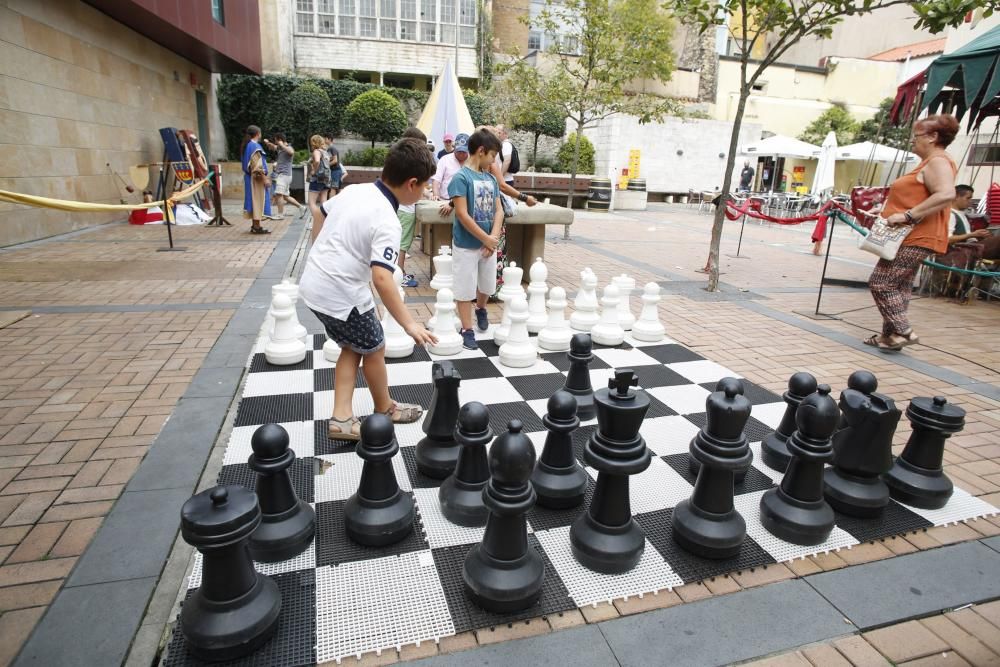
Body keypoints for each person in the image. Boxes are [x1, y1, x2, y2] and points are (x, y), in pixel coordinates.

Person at [299, 138, 438, 441]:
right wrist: (410, 323)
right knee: (373, 345)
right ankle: (374, 410)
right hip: (340, 290)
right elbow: (383, 279)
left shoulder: (355, 190)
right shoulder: (388, 220)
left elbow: (320, 213)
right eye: (426, 186)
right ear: (412, 184)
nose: (427, 191)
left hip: (315, 282)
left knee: (356, 344)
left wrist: (320, 253)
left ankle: (347, 415)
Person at [864, 114, 959, 351]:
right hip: (912, 234)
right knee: (900, 285)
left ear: (933, 137)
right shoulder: (931, 161)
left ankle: (904, 331)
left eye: (916, 136)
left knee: (881, 282)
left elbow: (946, 194)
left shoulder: (937, 160)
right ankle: (890, 336)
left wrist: (907, 215)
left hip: (916, 234)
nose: (912, 141)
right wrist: (887, 209)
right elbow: (917, 195)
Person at [448, 129, 504, 350]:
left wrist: (493, 239)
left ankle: (481, 308)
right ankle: (467, 328)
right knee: (464, 287)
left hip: (488, 243)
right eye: (492, 156)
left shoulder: (491, 178)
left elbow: (499, 211)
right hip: (465, 244)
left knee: (487, 284)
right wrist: (486, 239)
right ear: (481, 151)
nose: (493, 161)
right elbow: (462, 214)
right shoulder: (461, 178)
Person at [262, 133, 304, 217]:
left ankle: (280, 214)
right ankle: (301, 207)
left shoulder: (288, 147)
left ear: (279, 140)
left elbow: (291, 152)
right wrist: (267, 143)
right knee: (285, 196)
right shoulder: (280, 148)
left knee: (278, 194)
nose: (275, 142)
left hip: (284, 175)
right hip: (284, 175)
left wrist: (282, 145)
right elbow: (273, 147)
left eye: (276, 140)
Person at [240, 125, 272, 234]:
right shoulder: (255, 146)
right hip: (256, 179)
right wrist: (265, 178)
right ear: (258, 133)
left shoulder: (248, 145)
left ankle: (255, 225)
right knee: (258, 200)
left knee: (254, 201)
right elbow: (257, 165)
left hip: (250, 178)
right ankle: (257, 226)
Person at [432, 133, 470, 216]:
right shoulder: (445, 159)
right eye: (459, 151)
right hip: (444, 200)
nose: (461, 154)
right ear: (455, 148)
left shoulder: (472, 161)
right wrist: (436, 195)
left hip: (465, 203)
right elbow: (436, 180)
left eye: (464, 152)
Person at [307, 134, 331, 240]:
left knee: (311, 202)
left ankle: (317, 222)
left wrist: (313, 171)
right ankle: (326, 224)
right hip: (326, 179)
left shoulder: (316, 151)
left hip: (317, 179)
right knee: (324, 202)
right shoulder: (325, 152)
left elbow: (316, 161)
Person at [322, 132, 345, 197]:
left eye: (325, 138)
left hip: (335, 171)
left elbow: (335, 160)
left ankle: (330, 205)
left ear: (329, 139)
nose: (323, 140)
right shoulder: (330, 148)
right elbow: (331, 158)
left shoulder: (331, 148)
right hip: (336, 171)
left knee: (333, 188)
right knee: (337, 188)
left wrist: (326, 165)